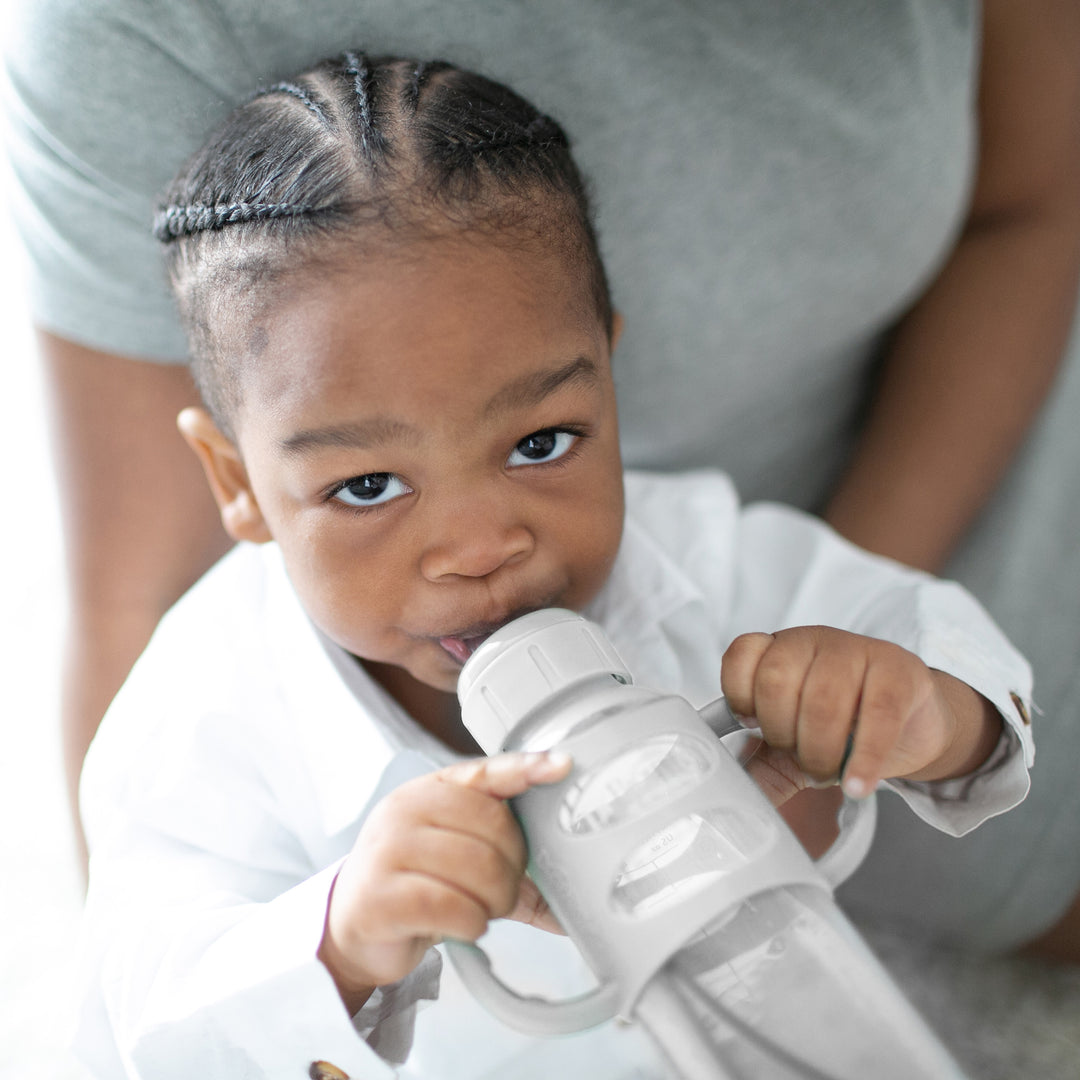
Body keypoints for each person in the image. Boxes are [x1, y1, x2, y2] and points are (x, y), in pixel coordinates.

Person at [3, 0, 1079, 955]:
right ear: (234, 481)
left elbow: (938, 645)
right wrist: (334, 943)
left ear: (609, 376)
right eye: (370, 486)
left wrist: (925, 711)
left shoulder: (703, 555)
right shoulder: (197, 720)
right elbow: (147, 993)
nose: (483, 545)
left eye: (540, 443)